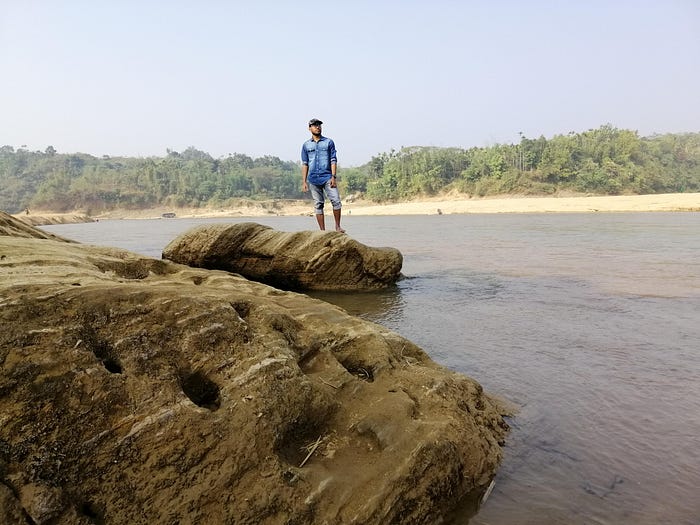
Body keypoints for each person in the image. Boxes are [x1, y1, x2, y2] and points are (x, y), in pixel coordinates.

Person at [301, 118, 345, 232]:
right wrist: (304, 181)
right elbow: (305, 164)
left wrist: (333, 177)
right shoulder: (306, 145)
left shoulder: (329, 142)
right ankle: (322, 231)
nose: (317, 127)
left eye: (319, 125)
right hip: (313, 179)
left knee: (336, 201)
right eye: (315, 125)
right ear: (309, 128)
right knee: (318, 204)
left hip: (327, 177)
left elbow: (333, 160)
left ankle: (337, 226)